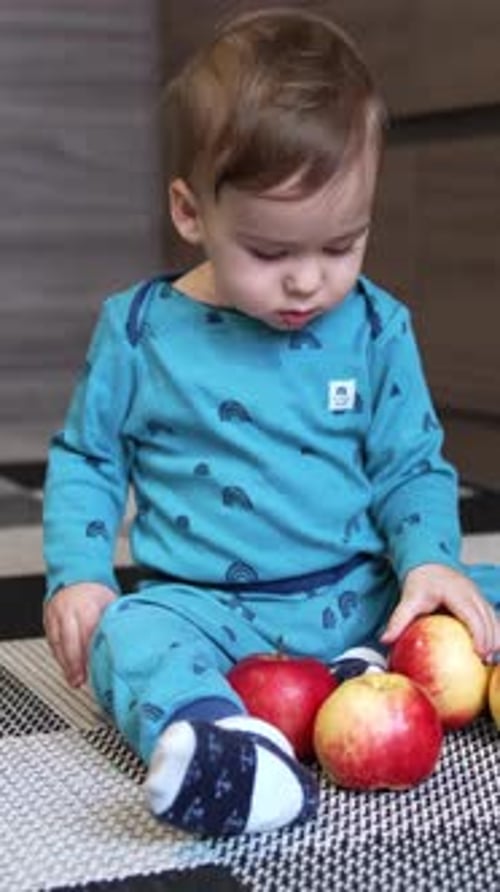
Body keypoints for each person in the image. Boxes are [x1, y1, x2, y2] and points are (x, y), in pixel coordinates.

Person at [43, 7, 500, 838]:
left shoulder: (374, 328)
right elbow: (87, 456)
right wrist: (79, 574)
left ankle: (378, 663)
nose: (307, 284)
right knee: (125, 637)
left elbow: (410, 468)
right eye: (269, 252)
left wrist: (431, 564)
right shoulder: (141, 331)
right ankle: (223, 747)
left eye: (341, 246)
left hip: (361, 596)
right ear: (191, 213)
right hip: (206, 609)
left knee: (471, 591)